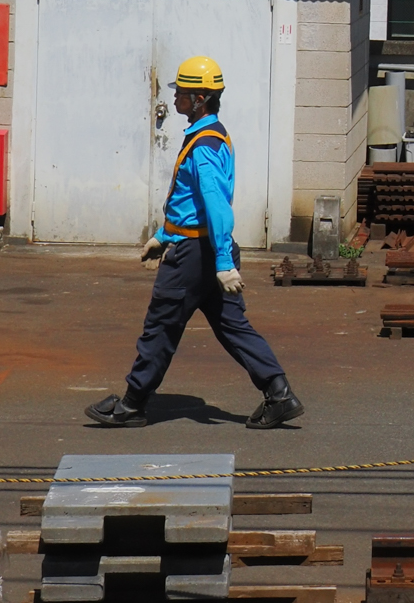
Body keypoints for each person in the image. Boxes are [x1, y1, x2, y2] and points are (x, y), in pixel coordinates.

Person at [85, 55, 304, 430]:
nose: (175, 100)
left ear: (200, 98)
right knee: (233, 326)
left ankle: (133, 403)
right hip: (199, 248)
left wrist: (222, 261)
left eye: (182, 93)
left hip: (195, 257)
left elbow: (215, 205)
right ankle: (279, 393)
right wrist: (162, 235)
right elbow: (191, 204)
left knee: (161, 324)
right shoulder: (212, 135)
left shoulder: (203, 146)